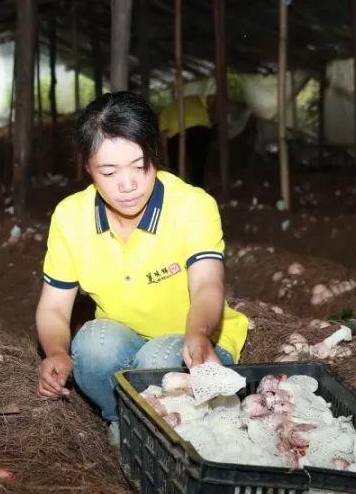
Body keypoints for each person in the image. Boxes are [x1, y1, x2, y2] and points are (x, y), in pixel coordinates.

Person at [35, 91, 250, 444]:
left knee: (155, 358)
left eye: (140, 165)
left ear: (155, 154)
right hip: (124, 343)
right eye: (109, 171)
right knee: (90, 344)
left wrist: (198, 334)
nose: (128, 184)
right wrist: (57, 351)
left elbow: (207, 285)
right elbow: (54, 307)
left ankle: (153, 433)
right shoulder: (70, 217)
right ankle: (124, 423)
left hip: (195, 342)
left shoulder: (192, 206)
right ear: (87, 166)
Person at [158, 92, 216, 186]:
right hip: (200, 129)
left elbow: (163, 137)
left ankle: (177, 184)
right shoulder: (194, 98)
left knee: (174, 163)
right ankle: (199, 185)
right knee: (198, 161)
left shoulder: (165, 111)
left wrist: (166, 160)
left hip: (176, 134)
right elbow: (211, 100)